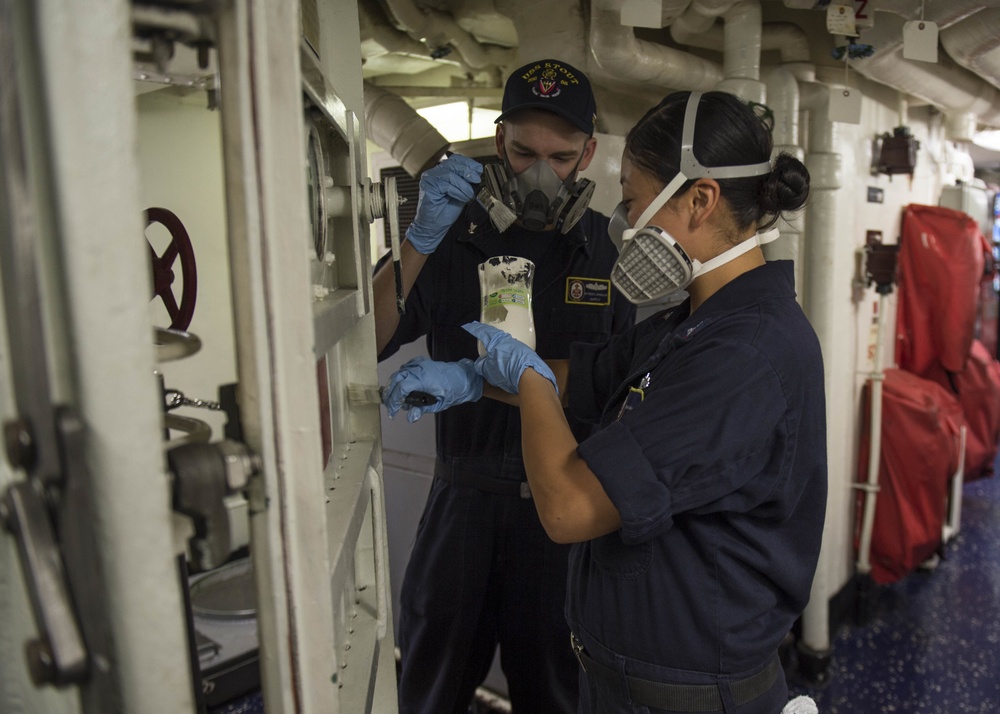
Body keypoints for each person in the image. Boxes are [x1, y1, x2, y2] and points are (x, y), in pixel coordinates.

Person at [386, 90, 827, 714]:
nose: (625, 223)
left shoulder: (744, 354)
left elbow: (567, 509)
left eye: (633, 201)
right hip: (632, 675)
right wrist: (472, 376)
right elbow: (586, 376)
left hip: (691, 691)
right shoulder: (695, 322)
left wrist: (529, 378)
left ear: (699, 199)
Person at [373, 59, 636, 713]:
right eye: (523, 152)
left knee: (556, 692)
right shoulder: (456, 237)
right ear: (498, 143)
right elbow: (369, 337)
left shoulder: (610, 254)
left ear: (590, 155)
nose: (541, 173)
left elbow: (628, 384)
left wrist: (480, 380)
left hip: (562, 512)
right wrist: (420, 237)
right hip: (463, 497)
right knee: (430, 688)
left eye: (561, 155)